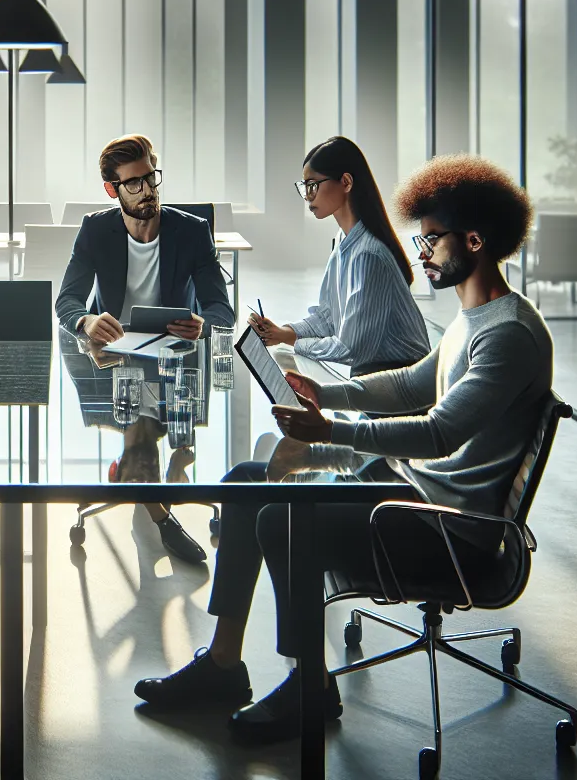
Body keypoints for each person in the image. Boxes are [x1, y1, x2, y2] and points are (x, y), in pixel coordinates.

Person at [134, 154, 552, 746]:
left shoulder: (508, 333)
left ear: (475, 240)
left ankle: (310, 685)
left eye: (432, 239)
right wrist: (322, 393)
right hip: (409, 493)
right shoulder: (473, 318)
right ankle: (224, 664)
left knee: (283, 518)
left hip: (450, 531)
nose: (423, 251)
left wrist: (330, 430)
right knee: (247, 481)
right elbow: (409, 384)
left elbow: (437, 432)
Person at [55, 134, 235, 562]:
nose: (148, 190)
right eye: (133, 183)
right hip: (116, 359)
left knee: (141, 435)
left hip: (176, 359)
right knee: (138, 428)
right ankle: (163, 522)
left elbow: (221, 310)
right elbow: (67, 301)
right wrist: (87, 320)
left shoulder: (191, 232)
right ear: (111, 190)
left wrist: (203, 324)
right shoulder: (96, 230)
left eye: (151, 177)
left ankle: (147, 480)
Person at [248, 137, 430, 377]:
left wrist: (291, 341)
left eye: (313, 185)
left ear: (345, 182)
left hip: (403, 386)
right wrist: (283, 332)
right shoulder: (344, 241)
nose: (307, 196)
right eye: (304, 187)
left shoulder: (368, 255)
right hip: (375, 379)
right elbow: (328, 317)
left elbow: (351, 349)